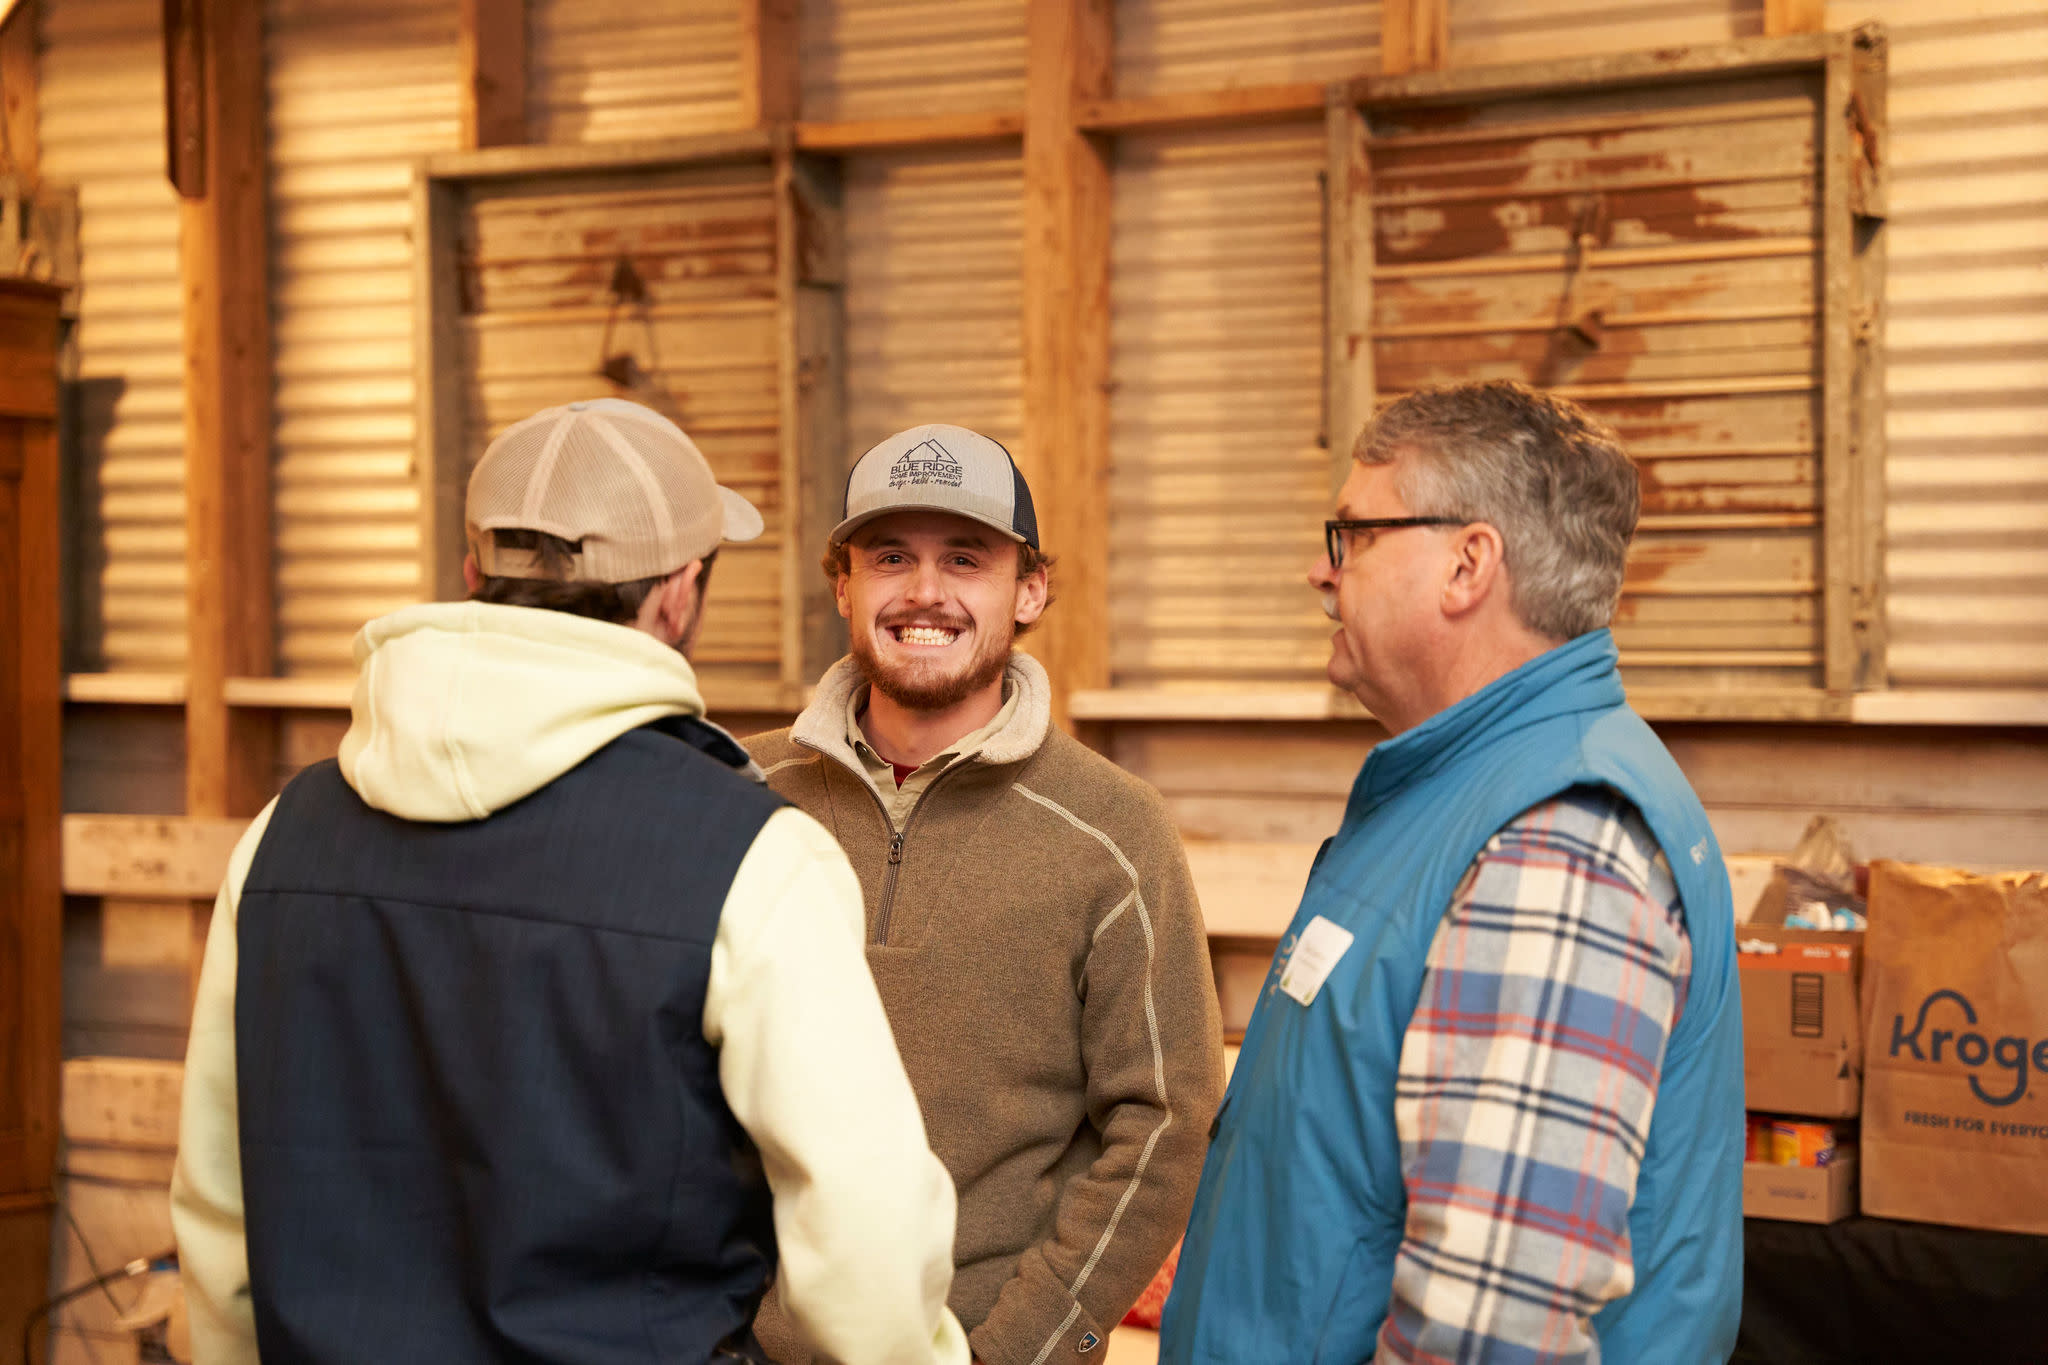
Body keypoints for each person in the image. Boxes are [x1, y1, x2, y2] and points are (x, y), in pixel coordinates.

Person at [170, 398, 969, 1365]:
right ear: (679, 593)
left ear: (473, 572)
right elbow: (866, 1251)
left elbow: (219, 1223)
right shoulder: (751, 856)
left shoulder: (278, 839)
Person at [1161, 381, 1743, 1364]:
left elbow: (1493, 1328)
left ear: (1466, 563)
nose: (1319, 570)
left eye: (1350, 535)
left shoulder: (1554, 835)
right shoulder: (1457, 789)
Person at [745, 424, 1224, 1364]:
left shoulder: (1114, 833)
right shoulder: (738, 795)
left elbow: (1167, 1121)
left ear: (1030, 589)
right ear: (843, 582)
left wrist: (1019, 1351)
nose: (925, 591)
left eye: (965, 558)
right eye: (891, 557)